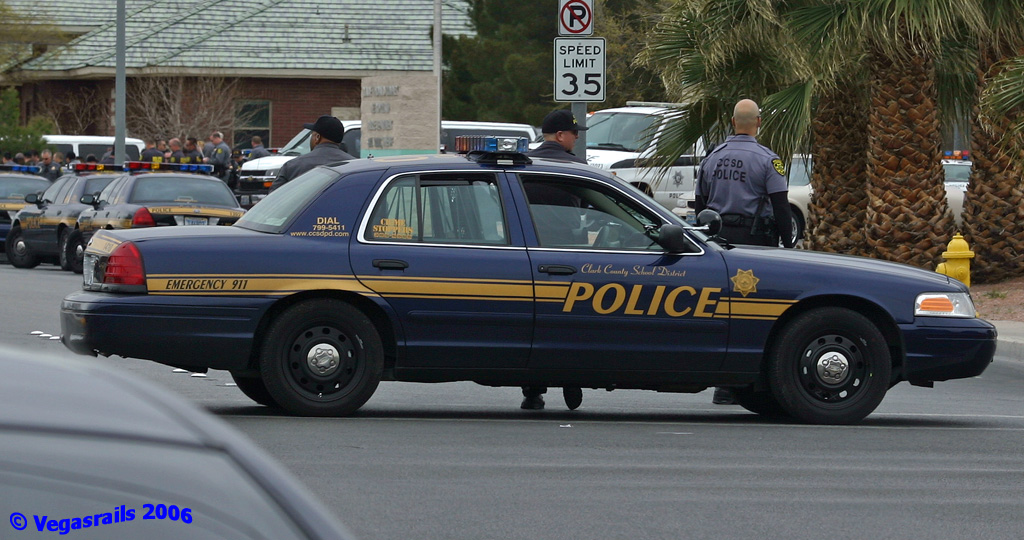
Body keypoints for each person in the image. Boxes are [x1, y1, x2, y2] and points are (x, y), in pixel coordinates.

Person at [694, 98, 794, 405]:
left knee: (722, 308)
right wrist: (787, 242)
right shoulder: (768, 159)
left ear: (733, 122)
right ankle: (744, 383)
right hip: (754, 244)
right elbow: (780, 204)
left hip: (718, 240)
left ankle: (722, 385)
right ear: (758, 123)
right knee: (755, 311)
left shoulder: (713, 157)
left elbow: (700, 205)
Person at [269, 115, 354, 191]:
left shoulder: (292, 166)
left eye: (312, 135)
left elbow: (272, 200)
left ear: (317, 137)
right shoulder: (354, 166)